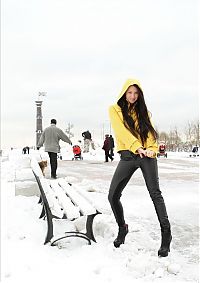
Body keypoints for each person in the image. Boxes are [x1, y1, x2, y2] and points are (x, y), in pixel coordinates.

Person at [108, 78, 172, 257]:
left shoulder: (144, 112)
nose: (133, 96)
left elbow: (150, 135)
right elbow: (121, 131)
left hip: (146, 156)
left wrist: (151, 150)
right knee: (113, 195)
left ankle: (166, 234)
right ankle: (122, 228)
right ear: (124, 92)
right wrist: (137, 147)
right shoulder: (114, 110)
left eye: (136, 93)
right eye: (130, 92)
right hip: (129, 156)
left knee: (155, 194)